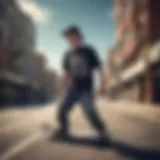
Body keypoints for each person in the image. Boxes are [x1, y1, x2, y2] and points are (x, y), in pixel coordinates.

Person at [55, 26, 110, 143]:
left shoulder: (89, 51)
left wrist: (103, 84)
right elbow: (65, 72)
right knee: (62, 109)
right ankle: (63, 130)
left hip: (86, 88)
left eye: (71, 37)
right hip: (72, 88)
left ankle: (103, 132)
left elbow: (100, 69)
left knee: (89, 111)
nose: (69, 40)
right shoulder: (67, 54)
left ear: (78, 36)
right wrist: (62, 87)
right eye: (67, 38)